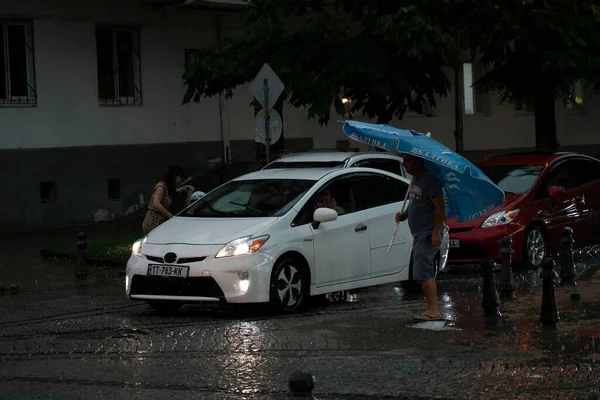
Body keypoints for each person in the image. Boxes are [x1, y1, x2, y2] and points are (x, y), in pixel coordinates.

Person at [395, 154, 446, 321]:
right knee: (425, 271)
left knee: (423, 271)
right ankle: (433, 308)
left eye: (407, 161)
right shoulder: (414, 180)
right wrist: (404, 215)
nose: (404, 165)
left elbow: (439, 208)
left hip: (428, 232)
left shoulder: (430, 181)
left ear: (417, 162)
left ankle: (433, 309)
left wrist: (436, 232)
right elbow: (415, 202)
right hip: (418, 234)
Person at [142, 165, 195, 236]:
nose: (180, 181)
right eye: (180, 178)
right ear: (174, 176)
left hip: (160, 221)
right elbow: (156, 203)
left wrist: (184, 188)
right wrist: (171, 216)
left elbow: (173, 192)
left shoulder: (167, 187)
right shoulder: (161, 187)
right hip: (152, 222)